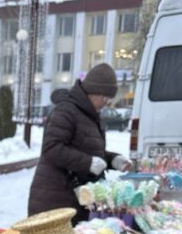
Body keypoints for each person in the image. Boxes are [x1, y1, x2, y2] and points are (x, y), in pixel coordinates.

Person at [27, 63, 131, 219]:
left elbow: (88, 149)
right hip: (56, 202)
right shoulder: (66, 111)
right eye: (105, 98)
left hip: (77, 201)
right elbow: (51, 149)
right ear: (93, 92)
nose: (107, 103)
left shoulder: (90, 114)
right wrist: (88, 163)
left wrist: (113, 160)